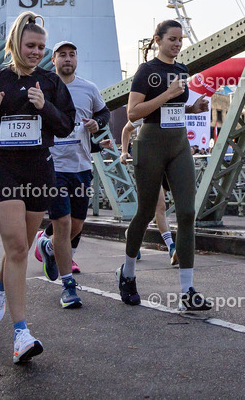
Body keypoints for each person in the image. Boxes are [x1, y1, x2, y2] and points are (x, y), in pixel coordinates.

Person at [0, 12, 75, 364]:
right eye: (30, 45)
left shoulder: (51, 83)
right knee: (19, 248)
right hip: (3, 170)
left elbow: (67, 126)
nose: (37, 52)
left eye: (42, 46)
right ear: (14, 45)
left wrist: (46, 108)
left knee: (19, 250)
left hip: (39, 170)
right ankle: (21, 333)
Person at [118, 20, 211, 311]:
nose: (177, 44)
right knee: (145, 212)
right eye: (172, 39)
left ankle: (188, 290)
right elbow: (134, 112)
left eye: (180, 40)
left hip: (179, 143)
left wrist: (190, 108)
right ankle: (128, 273)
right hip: (150, 145)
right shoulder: (146, 71)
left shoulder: (183, 70)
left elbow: (172, 108)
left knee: (186, 213)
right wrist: (168, 94)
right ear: (158, 40)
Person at [32, 40, 111, 308]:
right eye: (62, 55)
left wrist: (95, 123)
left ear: (77, 59)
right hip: (53, 166)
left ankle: (47, 244)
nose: (67, 59)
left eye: (72, 55)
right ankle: (68, 287)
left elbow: (104, 113)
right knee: (64, 224)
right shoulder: (43, 87)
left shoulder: (88, 88)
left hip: (81, 165)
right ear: (53, 60)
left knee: (77, 224)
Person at [121, 120, 177, 264]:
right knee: (160, 206)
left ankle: (131, 234)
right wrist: (124, 152)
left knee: (148, 209)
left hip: (168, 161)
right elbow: (126, 129)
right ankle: (171, 247)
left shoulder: (172, 110)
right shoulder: (149, 110)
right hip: (149, 161)